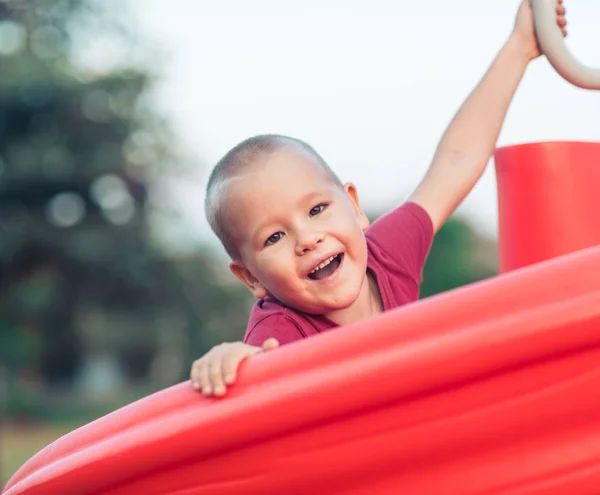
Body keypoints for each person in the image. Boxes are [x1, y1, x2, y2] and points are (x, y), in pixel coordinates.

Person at [190, 0, 568, 397]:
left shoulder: (385, 254)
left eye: (317, 209)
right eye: (274, 238)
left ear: (354, 206)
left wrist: (519, 47)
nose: (308, 239)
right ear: (250, 278)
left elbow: (454, 164)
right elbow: (254, 378)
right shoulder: (280, 333)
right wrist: (232, 361)